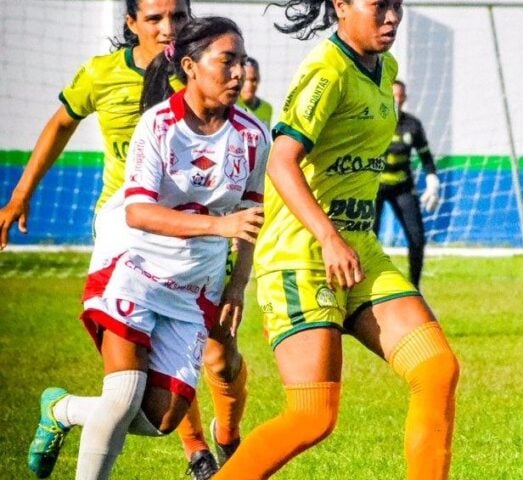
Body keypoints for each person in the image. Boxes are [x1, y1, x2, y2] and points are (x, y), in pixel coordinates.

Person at [1, 2, 251, 478]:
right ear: (131, 24)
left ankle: (69, 410)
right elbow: (60, 124)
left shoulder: (195, 77)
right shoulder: (101, 75)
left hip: (194, 242)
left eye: (177, 17)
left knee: (218, 353)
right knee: (122, 392)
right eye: (154, 18)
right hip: (125, 235)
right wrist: (19, 195)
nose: (168, 28)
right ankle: (199, 450)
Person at [215, 0, 459, 478]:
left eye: (398, 5)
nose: (392, 17)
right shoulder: (326, 72)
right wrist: (327, 236)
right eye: (379, 6)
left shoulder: (385, 67)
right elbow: (281, 160)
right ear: (342, 6)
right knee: (313, 417)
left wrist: (343, 238)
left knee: (437, 369)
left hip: (359, 252)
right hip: (301, 256)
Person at [374, 79, 440, 289]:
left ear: (405, 98)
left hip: (403, 187)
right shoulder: (373, 120)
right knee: (368, 239)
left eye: (400, 95)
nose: (397, 99)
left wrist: (432, 181)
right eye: (393, 95)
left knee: (417, 237)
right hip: (374, 188)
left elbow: (425, 157)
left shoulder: (412, 124)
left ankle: (415, 287)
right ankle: (368, 287)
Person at [236, 57, 274, 128]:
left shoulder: (267, 109)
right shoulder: (230, 106)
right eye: (245, 79)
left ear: (259, 79)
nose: (249, 85)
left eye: (253, 80)